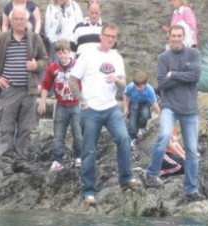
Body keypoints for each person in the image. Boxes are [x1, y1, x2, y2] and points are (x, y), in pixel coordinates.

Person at [71, 24, 141, 206]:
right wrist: (80, 100)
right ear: (101, 36)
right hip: (91, 109)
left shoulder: (116, 58)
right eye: (108, 36)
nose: (110, 39)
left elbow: (124, 85)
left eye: (114, 37)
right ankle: (89, 191)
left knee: (124, 138)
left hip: (111, 108)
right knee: (89, 150)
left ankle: (126, 178)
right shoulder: (87, 54)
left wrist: (117, 80)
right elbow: (72, 79)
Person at [0, 7, 49, 176]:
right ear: (11, 21)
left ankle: (20, 160)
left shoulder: (35, 39)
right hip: (9, 90)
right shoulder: (2, 39)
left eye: (22, 19)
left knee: (26, 128)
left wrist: (37, 65)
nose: (19, 22)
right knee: (7, 127)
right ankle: (6, 162)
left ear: (27, 21)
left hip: (29, 90)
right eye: (16, 19)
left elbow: (46, 60)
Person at [142, 24, 202, 203]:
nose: (175, 38)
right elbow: (162, 85)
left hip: (190, 109)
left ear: (183, 37)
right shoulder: (163, 57)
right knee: (165, 136)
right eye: (172, 36)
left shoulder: (194, 54)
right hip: (169, 107)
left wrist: (173, 74)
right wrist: (183, 77)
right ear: (168, 38)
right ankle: (152, 174)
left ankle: (191, 189)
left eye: (178, 35)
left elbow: (196, 76)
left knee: (191, 150)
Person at [37, 39, 82, 172]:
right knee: (58, 134)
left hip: (75, 104)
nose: (62, 56)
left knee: (78, 133)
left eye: (65, 52)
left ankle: (79, 157)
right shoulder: (52, 68)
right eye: (59, 53)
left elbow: (86, 81)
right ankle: (58, 160)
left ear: (69, 52)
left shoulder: (77, 66)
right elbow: (45, 86)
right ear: (56, 54)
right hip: (61, 105)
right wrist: (42, 102)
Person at [122, 71, 161, 144]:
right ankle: (131, 137)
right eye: (136, 86)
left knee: (145, 114)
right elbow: (125, 94)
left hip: (145, 103)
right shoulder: (131, 86)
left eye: (140, 86)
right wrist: (125, 107)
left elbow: (155, 104)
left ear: (145, 84)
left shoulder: (149, 89)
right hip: (134, 103)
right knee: (132, 124)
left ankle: (142, 127)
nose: (137, 88)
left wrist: (160, 115)